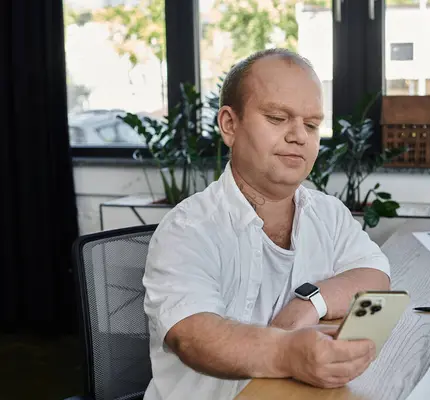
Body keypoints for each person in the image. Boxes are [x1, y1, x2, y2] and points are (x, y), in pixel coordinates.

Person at [142, 48, 392, 400]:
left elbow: (375, 273)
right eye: (277, 118)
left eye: (311, 124)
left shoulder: (328, 213)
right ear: (230, 125)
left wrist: (309, 305)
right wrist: (288, 352)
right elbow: (192, 334)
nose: (299, 136)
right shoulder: (187, 227)